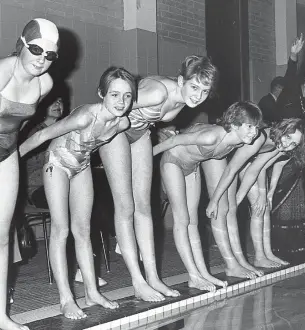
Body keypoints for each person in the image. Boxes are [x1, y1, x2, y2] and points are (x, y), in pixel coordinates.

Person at [19, 67, 136, 319]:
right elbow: (42, 135)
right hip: (57, 164)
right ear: (101, 94)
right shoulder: (85, 116)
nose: (121, 102)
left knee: (83, 230)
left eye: (127, 96)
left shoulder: (122, 122)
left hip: (81, 165)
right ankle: (66, 298)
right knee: (61, 229)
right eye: (114, 95)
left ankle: (92, 292)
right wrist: (9, 160)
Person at [98, 55, 218, 301]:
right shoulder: (158, 93)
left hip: (140, 133)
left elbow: (146, 118)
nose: (198, 95)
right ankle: (137, 281)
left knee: (144, 207)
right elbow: (114, 104)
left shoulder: (183, 100)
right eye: (194, 87)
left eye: (204, 91)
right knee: (126, 207)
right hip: (115, 131)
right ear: (181, 80)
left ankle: (153, 277)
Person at [154, 101, 262, 292]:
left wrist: (214, 201)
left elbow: (230, 171)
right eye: (249, 126)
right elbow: (172, 142)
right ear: (235, 124)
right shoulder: (213, 136)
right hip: (173, 162)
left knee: (194, 222)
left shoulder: (237, 141)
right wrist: (144, 161)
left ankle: (202, 273)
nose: (254, 132)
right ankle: (193, 275)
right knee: (183, 220)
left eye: (256, 127)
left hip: (191, 167)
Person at [0, 18, 58, 330]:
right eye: (36, 49)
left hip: (6, 154)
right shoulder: (3, 71)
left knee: (1, 234)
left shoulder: (44, 84)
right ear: (22, 42)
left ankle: (0, 316)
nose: (42, 59)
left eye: (50, 55)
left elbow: (18, 125)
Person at [260, 34, 305, 255]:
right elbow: (290, 76)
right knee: (284, 199)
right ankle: (278, 245)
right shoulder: (290, 92)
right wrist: (293, 55)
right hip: (286, 152)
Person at [223, 118, 305, 267]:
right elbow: (251, 169)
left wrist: (267, 195)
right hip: (234, 159)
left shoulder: (282, 145)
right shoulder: (265, 137)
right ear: (284, 129)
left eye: (293, 144)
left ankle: (267, 253)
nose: (288, 145)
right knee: (257, 206)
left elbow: (264, 167)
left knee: (262, 206)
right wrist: (238, 199)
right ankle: (258, 256)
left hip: (251, 163)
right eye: (288, 137)